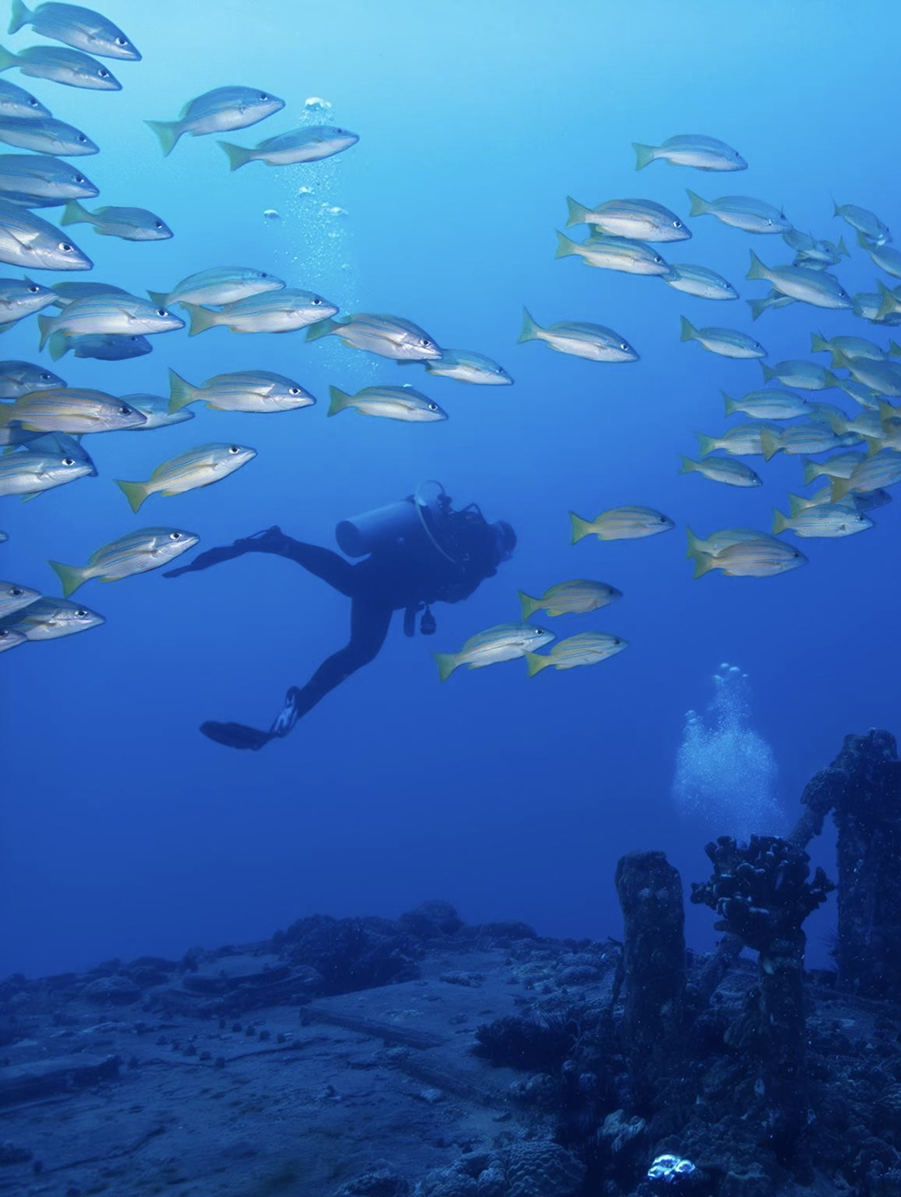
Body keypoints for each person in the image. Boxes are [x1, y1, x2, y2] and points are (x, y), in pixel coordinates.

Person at [164, 487, 516, 750]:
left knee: (352, 594)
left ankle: (282, 545)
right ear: (503, 547)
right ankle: (301, 701)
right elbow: (453, 594)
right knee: (359, 646)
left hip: (382, 581)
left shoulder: (459, 532)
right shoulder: (482, 558)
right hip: (388, 592)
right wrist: (483, 571)